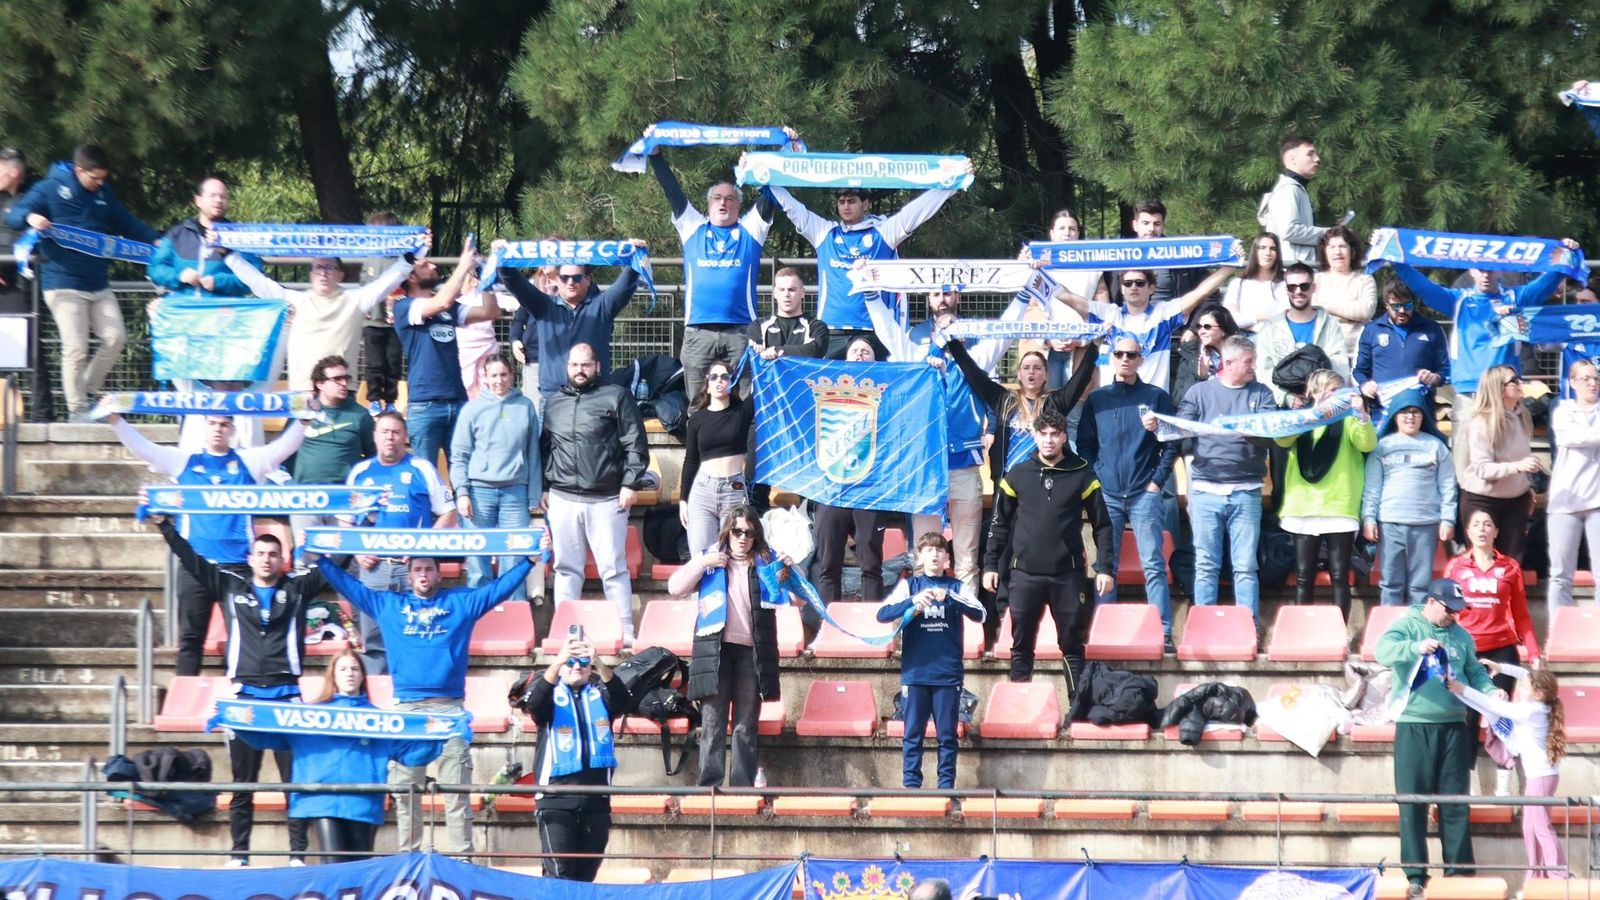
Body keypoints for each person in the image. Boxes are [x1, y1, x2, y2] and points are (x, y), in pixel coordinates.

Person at [311, 549, 535, 856]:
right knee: (406, 795)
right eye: (418, 569)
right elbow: (351, 588)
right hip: (407, 712)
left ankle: (462, 862)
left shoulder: (460, 603)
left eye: (429, 569)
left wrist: (529, 562)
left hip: (449, 711)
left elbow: (498, 590)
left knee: (457, 795)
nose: (423, 575)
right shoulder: (388, 604)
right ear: (409, 574)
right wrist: (321, 561)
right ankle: (408, 859)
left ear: (439, 574)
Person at [148, 514, 323, 866]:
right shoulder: (230, 587)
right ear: (250, 558)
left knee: (294, 783)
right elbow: (191, 559)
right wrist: (166, 526)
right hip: (245, 701)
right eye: (261, 554)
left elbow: (338, 564)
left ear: (283, 560)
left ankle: (297, 856)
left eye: (273, 555)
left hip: (287, 699)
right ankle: (239, 855)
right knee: (243, 783)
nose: (267, 560)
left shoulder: (297, 589)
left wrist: (357, 525)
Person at [110, 412, 305, 675]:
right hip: (196, 567)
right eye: (212, 423)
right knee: (190, 639)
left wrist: (304, 421)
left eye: (224, 424)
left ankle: (242, 691)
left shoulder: (248, 461)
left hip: (237, 568)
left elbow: (283, 448)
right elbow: (143, 449)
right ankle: (186, 691)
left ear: (233, 429)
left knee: (246, 638)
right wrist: (115, 420)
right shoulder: (184, 461)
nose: (218, 429)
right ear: (204, 427)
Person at [868, 286, 1029, 595]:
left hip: (964, 468)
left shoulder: (976, 360)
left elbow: (1006, 332)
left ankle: (966, 616)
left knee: (966, 558)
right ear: (932, 333)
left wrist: (1026, 291)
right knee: (924, 556)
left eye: (954, 331)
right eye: (943, 331)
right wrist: (870, 294)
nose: (948, 336)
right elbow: (887, 330)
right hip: (926, 470)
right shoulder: (916, 357)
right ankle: (924, 614)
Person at [228, 650, 447, 864]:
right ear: (333, 675)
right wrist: (238, 721)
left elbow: (409, 755)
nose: (349, 673)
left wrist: (438, 736)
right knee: (333, 865)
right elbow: (271, 738)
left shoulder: (380, 720)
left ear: (362, 676)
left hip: (363, 803)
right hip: (322, 800)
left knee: (357, 870)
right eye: (343, 669)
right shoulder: (308, 715)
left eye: (355, 669)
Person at [5, 144, 160, 420]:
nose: (99, 183)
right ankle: (77, 411)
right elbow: (15, 216)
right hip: (62, 283)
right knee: (76, 347)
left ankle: (87, 390)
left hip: (97, 283)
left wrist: (157, 240)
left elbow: (127, 222)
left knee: (116, 338)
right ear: (79, 171)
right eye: (95, 178)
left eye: (103, 178)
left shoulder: (103, 193)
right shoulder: (49, 188)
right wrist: (31, 217)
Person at [1375, 577, 1500, 898]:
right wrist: (1414, 648)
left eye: (1457, 610)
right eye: (1449, 609)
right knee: (1412, 803)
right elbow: (1382, 651)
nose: (1453, 616)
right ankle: (1416, 874)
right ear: (1431, 602)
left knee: (1455, 803)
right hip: (1414, 725)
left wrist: (1491, 691)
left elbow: (1475, 672)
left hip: (1455, 726)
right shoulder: (1407, 625)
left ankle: (1459, 872)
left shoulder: (1461, 636)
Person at [981, 410, 1115, 697]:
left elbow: (1103, 525)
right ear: (1035, 436)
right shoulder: (1017, 474)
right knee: (1021, 647)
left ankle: (1077, 711)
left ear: (1065, 437)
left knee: (1073, 646)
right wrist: (990, 565)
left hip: (1067, 576)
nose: (1049, 440)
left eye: (1055, 434)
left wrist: (1105, 567)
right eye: (1043, 434)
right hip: (1024, 575)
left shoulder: (1082, 474)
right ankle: (1019, 709)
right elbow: (998, 524)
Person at [764, 174, 964, 359]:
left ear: (866, 204)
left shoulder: (883, 232)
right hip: (832, 330)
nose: (846, 207)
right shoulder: (824, 232)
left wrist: (951, 184)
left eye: (852, 201)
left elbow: (917, 211)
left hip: (873, 331)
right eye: (842, 202)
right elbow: (793, 208)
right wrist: (763, 178)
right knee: (827, 384)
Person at [667, 506, 794, 787]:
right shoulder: (711, 558)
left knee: (745, 724)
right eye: (737, 531)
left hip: (752, 652)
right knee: (712, 721)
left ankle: (742, 789)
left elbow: (799, 600)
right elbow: (675, 588)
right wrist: (702, 563)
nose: (742, 538)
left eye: (749, 533)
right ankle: (709, 788)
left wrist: (791, 570)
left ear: (756, 536)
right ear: (728, 532)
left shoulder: (768, 562)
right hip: (716, 651)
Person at [1163, 334, 1278, 621]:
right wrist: (1159, 424)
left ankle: (1248, 625)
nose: (1253, 367)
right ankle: (1204, 625)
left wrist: (1239, 428)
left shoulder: (1262, 393)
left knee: (1245, 566)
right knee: (1205, 564)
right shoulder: (1199, 392)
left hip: (1246, 490)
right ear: (1229, 362)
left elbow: (1269, 437)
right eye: (1248, 362)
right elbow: (1182, 427)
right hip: (1205, 490)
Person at [542, 343, 649, 641]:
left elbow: (635, 444)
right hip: (562, 498)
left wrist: (630, 483)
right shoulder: (553, 402)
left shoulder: (616, 396)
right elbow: (545, 448)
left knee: (613, 570)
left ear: (597, 367)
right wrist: (544, 487)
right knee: (566, 569)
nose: (580, 371)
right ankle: (566, 633)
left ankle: (624, 631)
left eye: (585, 365)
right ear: (567, 367)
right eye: (574, 365)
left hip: (607, 498)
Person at [1078, 338, 1181, 649]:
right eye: (1120, 354)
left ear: (1140, 359)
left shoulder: (1156, 397)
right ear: (1112, 357)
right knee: (1105, 565)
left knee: (1153, 564)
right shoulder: (1098, 400)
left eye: (1132, 355)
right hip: (1108, 494)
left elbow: (1172, 442)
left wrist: (1156, 482)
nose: (1125, 359)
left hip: (1143, 493)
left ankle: (1162, 631)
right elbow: (1085, 445)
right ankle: (1103, 631)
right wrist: (1096, 478)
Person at [649, 150, 776, 399]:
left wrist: (780, 156)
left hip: (741, 333)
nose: (723, 203)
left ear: (739, 205)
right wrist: (655, 157)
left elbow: (771, 195)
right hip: (699, 333)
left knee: (745, 403)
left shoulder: (751, 230)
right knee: (697, 404)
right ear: (708, 205)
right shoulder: (692, 227)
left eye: (730, 198)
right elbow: (672, 191)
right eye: (717, 198)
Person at [1383, 238, 1578, 397]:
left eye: (1491, 269)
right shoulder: (1457, 300)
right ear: (1471, 271)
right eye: (1480, 269)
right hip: (1468, 390)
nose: (1486, 275)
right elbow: (1423, 287)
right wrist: (1394, 257)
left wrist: (1566, 252)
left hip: (1504, 390)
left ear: (1501, 270)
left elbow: (1547, 282)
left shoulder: (1516, 298)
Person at [223, 236, 418, 393]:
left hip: (342, 391)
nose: (323, 273)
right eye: (318, 267)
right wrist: (229, 255)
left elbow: (388, 281)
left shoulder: (355, 300)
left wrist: (416, 252)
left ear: (341, 275)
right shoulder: (296, 300)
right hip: (303, 391)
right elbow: (259, 284)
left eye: (330, 267)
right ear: (311, 274)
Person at [343, 412, 457, 673]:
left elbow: (449, 514)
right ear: (374, 436)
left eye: (396, 432)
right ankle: (378, 693)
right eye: (384, 432)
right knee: (374, 644)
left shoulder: (422, 469)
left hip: (413, 571)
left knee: (418, 637)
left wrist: (422, 549)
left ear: (405, 437)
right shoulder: (360, 472)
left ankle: (417, 691)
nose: (390, 438)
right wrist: (358, 552)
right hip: (374, 569)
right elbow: (345, 522)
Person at [876, 533, 984, 789]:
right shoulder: (910, 585)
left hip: (947, 673)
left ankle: (946, 789)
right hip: (915, 673)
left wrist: (949, 598)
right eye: (928, 550)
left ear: (947, 557)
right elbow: (882, 614)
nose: (934, 554)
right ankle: (911, 788)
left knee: (947, 736)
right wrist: (912, 602)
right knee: (912, 735)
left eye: (939, 550)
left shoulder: (956, 587)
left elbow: (981, 613)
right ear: (919, 556)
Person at [1447, 663, 1569, 881]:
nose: (1520, 689)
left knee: (1541, 826)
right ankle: (1536, 874)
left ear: (1539, 694)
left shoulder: (1530, 711)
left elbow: (1493, 706)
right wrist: (1501, 668)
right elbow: (1526, 674)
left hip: (1541, 777)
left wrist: (1462, 688)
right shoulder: (1538, 704)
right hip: (1538, 776)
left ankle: (1557, 874)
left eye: (1525, 688)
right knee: (1529, 826)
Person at [523, 635, 631, 882]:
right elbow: (535, 706)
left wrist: (599, 662)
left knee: (585, 879)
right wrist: (558, 661)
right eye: (570, 662)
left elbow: (624, 701)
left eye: (583, 662)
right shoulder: (549, 694)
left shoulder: (600, 694)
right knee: (559, 876)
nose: (576, 667)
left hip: (596, 801)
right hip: (556, 801)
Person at [1274, 369, 1376, 615]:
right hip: (1303, 506)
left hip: (1339, 506)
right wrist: (1311, 416)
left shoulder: (1349, 418)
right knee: (1303, 575)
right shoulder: (1302, 417)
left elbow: (1367, 444)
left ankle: (1340, 630)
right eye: (1333, 390)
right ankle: (1304, 628)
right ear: (1315, 391)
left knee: (1340, 576)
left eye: (1341, 390)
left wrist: (1362, 414)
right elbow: (1281, 440)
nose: (1339, 395)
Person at [496, 238, 643, 402]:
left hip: (595, 398)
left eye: (577, 278)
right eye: (565, 278)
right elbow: (515, 284)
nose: (570, 282)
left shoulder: (602, 307)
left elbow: (626, 285)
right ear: (557, 280)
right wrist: (503, 259)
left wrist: (634, 255)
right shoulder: (544, 307)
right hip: (554, 398)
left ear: (588, 280)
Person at [392, 241, 496, 472]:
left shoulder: (449, 308)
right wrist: (464, 265)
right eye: (425, 264)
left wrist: (485, 280)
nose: (433, 266)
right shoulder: (404, 307)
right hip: (425, 404)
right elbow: (441, 302)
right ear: (411, 276)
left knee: (464, 473)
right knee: (426, 475)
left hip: (458, 400)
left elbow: (490, 311)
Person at [1055, 262, 1237, 392]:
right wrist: (1040, 271)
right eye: (1128, 283)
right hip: (1114, 402)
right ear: (1122, 288)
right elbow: (1067, 297)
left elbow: (1201, 293)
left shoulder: (1163, 313)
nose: (1133, 287)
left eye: (1140, 283)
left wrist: (1229, 266)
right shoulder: (1108, 313)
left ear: (1151, 288)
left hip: (1152, 405)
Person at [449, 356, 541, 600]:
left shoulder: (525, 406)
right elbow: (459, 455)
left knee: (514, 559)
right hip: (479, 493)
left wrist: (534, 496)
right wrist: (462, 492)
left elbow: (533, 453)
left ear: (511, 376)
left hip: (515, 493)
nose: (499, 380)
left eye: (504, 374)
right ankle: (479, 613)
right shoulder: (472, 409)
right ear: (485, 378)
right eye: (494, 375)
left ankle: (515, 612)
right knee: (478, 559)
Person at [809, 337, 890, 612]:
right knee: (828, 564)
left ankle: (871, 624)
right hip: (831, 490)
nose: (859, 355)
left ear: (875, 360)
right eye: (854, 350)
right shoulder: (828, 390)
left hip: (869, 490)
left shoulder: (889, 392)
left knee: (871, 565)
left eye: (865, 351)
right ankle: (827, 624)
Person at [1362, 389, 1457, 606]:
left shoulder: (1436, 446)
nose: (1410, 417)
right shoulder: (1382, 446)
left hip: (1426, 524)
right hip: (1389, 523)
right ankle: (1392, 626)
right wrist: (1369, 518)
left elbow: (1448, 486)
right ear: (1394, 416)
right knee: (1390, 583)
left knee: (1420, 586)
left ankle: (1418, 625)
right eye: (1404, 412)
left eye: (1416, 412)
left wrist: (1448, 519)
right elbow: (1372, 486)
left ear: (1424, 415)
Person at [1446, 510, 1540, 698]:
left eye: (1487, 524)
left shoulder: (1511, 567)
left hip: (1502, 649)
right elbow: (1444, 611)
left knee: (1500, 710)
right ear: (1468, 532)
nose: (1482, 529)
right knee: (1468, 712)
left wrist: (1534, 653)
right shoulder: (1455, 566)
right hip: (1466, 649)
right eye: (1476, 524)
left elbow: (1521, 615)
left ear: (1496, 532)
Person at [1456, 365, 1539, 561]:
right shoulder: (1481, 422)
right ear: (1498, 388)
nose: (1520, 383)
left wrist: (1528, 486)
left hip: (1516, 500)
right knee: (1482, 562)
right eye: (1513, 381)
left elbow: (1522, 456)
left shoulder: (1523, 416)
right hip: (1482, 499)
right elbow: (1482, 469)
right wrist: (1517, 467)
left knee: (1511, 563)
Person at [290, 356, 376, 541]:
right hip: (305, 497)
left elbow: (373, 458)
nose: (344, 383)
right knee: (307, 555)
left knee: (340, 554)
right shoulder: (303, 412)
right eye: (337, 379)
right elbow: (286, 450)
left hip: (343, 499)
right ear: (320, 383)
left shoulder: (360, 415)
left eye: (346, 378)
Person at [679, 361, 752, 556]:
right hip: (702, 490)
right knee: (701, 557)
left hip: (733, 490)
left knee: (735, 556)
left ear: (732, 382)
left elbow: (765, 384)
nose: (719, 381)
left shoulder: (742, 412)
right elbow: (691, 460)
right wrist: (683, 499)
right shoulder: (697, 419)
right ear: (708, 385)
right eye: (714, 377)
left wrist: (764, 356)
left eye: (725, 377)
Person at [1253, 263, 1350, 406]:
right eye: (1292, 287)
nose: (1298, 291)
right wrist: (1286, 397)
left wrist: (1323, 394)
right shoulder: (1270, 328)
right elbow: (1263, 371)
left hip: (1323, 404)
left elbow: (1340, 365)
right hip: (1282, 408)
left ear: (1313, 288)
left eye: (1304, 286)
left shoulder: (1330, 325)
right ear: (1286, 290)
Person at [1547, 358, 1600, 617]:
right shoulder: (1563, 410)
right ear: (1573, 382)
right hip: (1565, 502)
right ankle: (1558, 630)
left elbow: (1582, 438)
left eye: (1596, 378)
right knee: (1560, 575)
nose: (1592, 383)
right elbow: (1568, 437)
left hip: (1597, 502)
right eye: (1586, 378)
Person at [148, 176, 255, 300]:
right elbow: (155, 269)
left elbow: (253, 278)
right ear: (198, 201)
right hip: (184, 308)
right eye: (213, 195)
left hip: (223, 309)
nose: (218, 200)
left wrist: (219, 282)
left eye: (223, 196)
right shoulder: (177, 234)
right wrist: (179, 276)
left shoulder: (240, 237)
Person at [1353, 281, 1450, 414]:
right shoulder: (1371, 330)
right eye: (1396, 306)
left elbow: (1446, 370)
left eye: (1407, 305)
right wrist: (1364, 384)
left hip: (1420, 411)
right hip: (1382, 411)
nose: (1402, 311)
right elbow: (1358, 371)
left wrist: (1435, 378)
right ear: (1386, 305)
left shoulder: (1432, 329)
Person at [1104, 199, 1209, 306]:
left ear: (1163, 225)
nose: (1151, 229)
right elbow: (1103, 292)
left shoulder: (1182, 253)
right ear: (1135, 225)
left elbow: (1208, 293)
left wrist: (1207, 314)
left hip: (1172, 315)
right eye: (1145, 223)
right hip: (1127, 316)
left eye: (1157, 224)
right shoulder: (1119, 255)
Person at [358, 211, 407, 413]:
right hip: (372, 321)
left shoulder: (401, 259)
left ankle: (391, 400)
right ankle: (374, 399)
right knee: (375, 363)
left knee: (393, 363)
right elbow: (363, 283)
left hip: (394, 321)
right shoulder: (370, 258)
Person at [1256, 135, 1328, 267]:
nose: (1317, 159)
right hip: (1294, 270)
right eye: (1310, 154)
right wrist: (1329, 234)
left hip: (1297, 267)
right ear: (1292, 158)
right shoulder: (1289, 189)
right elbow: (1289, 231)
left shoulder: (1295, 188)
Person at [1313, 225, 1377, 360]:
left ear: (1351, 250)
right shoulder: (1315, 280)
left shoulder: (1365, 280)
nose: (1337, 252)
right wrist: (1350, 316)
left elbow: (1366, 311)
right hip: (1323, 353)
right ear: (1324, 251)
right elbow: (1310, 310)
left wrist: (1324, 305)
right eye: (1332, 247)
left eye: (1342, 246)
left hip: (1356, 353)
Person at [747, 267, 829, 360]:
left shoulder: (816, 327)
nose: (786, 294)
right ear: (775, 293)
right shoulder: (758, 326)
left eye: (792, 289)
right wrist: (799, 350)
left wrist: (776, 350)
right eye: (781, 289)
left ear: (802, 292)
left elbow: (812, 351)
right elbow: (755, 356)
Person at [1220, 232, 1287, 332]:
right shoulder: (1238, 284)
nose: (1268, 253)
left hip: (1275, 335)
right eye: (1262, 248)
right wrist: (1258, 317)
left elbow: (1284, 318)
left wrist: (1248, 324)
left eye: (1273, 249)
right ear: (1255, 251)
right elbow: (1229, 319)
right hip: (1242, 337)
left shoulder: (1285, 284)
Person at [1172, 305, 1239, 402]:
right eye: (1199, 327)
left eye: (1207, 327)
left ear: (1223, 330)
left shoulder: (1239, 355)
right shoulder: (1191, 356)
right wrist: (1200, 378)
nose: (1201, 331)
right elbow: (1180, 399)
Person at [509, 260, 556, 400]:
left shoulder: (569, 287)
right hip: (533, 357)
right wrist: (515, 340)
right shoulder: (532, 287)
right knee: (534, 405)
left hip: (560, 358)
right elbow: (519, 320)